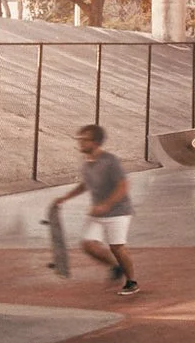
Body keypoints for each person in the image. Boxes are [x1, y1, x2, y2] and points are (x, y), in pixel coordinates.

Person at [49, 124, 140, 294]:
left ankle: (132, 282)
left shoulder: (110, 161)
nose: (80, 143)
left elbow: (123, 185)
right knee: (88, 244)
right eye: (80, 140)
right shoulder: (86, 163)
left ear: (96, 142)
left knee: (117, 247)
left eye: (85, 140)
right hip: (98, 212)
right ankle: (115, 267)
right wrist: (65, 197)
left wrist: (107, 204)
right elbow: (85, 185)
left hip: (118, 211)